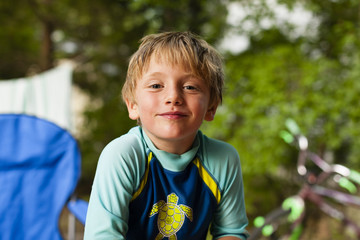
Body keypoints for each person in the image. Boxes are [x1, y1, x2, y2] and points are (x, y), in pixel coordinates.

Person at [84, 31, 249, 240]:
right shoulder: (121, 155)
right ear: (133, 105)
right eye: (156, 86)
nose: (173, 97)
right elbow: (103, 236)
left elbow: (230, 232)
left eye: (190, 87)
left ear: (211, 107)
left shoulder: (224, 159)